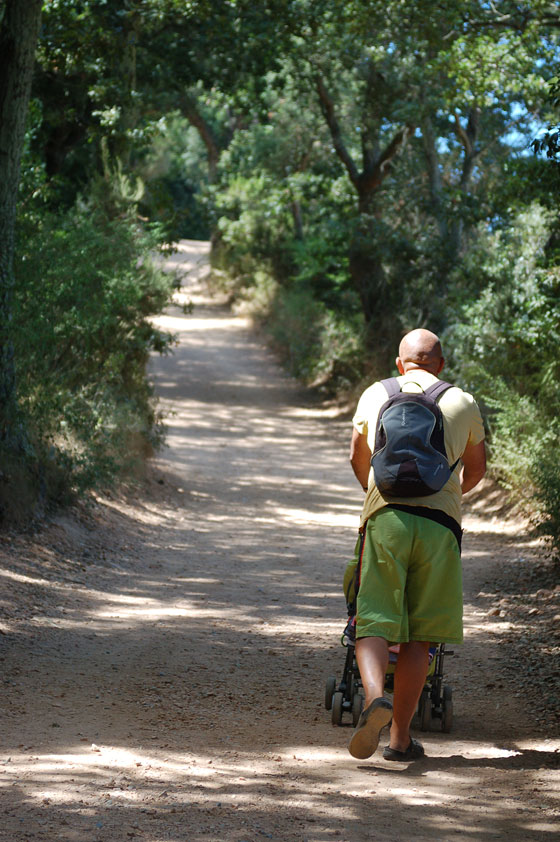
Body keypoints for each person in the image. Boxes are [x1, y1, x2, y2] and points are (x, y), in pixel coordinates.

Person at [347, 328, 486, 761]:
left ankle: (374, 700)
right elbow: (477, 469)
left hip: (386, 517)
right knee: (420, 637)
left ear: (399, 363)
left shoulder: (376, 393)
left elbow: (357, 457)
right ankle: (400, 739)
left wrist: (377, 497)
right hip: (439, 525)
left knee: (372, 620)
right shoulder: (462, 401)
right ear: (441, 364)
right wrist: (448, 499)